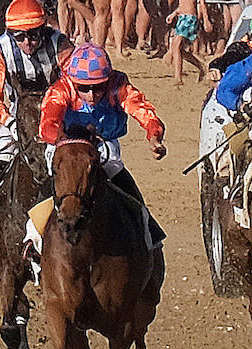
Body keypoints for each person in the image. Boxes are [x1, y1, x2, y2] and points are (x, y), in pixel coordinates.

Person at [37, 43, 168, 246]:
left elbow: (141, 110)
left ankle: (148, 233)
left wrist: (153, 134)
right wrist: (66, 142)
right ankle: (31, 241)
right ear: (73, 82)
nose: (91, 95)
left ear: (107, 81)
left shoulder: (118, 85)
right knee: (46, 188)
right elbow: (47, 125)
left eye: (98, 87)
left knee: (128, 191)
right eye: (84, 88)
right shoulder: (61, 89)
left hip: (103, 145)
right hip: (66, 146)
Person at [0, 0, 72, 248]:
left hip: (61, 116)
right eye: (20, 37)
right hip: (18, 118)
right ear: (10, 34)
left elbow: (74, 83)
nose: (28, 42)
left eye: (34, 35)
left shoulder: (60, 44)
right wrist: (10, 124)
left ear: (44, 29)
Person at [165, 0, 210, 84]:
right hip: (182, 17)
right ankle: (201, 65)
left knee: (176, 44)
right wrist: (174, 13)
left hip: (190, 18)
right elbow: (185, 1)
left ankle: (178, 77)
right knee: (177, 48)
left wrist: (205, 19)